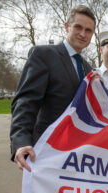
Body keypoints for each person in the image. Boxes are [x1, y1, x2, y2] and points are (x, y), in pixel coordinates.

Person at [10, 5, 96, 172]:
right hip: (45, 150)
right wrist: (21, 141)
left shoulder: (89, 69)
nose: (82, 34)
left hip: (76, 154)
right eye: (78, 27)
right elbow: (26, 102)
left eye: (88, 30)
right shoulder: (43, 55)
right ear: (67, 27)